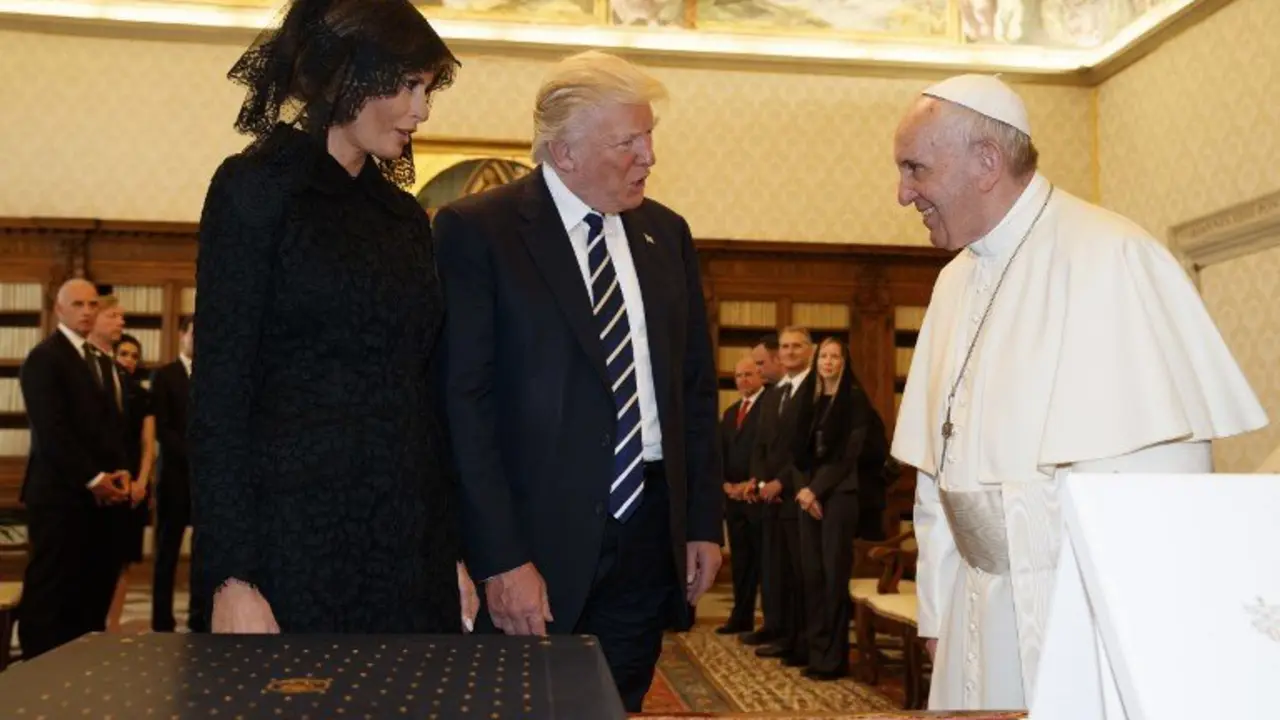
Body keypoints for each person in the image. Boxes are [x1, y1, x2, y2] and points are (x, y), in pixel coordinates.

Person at [890, 74, 1268, 711]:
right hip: (971, 609)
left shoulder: (1112, 257)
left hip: (1076, 613)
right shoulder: (954, 282)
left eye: (915, 169)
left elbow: (1157, 504)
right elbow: (937, 477)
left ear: (986, 163)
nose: (903, 195)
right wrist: (936, 613)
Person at [434, 50, 722, 711]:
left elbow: (693, 391)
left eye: (650, 136)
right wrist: (501, 558)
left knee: (617, 703)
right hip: (534, 539)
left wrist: (702, 521)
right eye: (630, 140)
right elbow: (462, 407)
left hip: (647, 536)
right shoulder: (480, 232)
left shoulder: (665, 234)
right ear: (565, 152)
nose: (649, 155)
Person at [190, 0, 478, 636]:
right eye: (408, 86)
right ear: (348, 76)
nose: (422, 111)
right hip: (289, 545)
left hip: (406, 546)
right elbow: (219, 396)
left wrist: (451, 551)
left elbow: (422, 400)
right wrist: (232, 576)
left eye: (428, 90)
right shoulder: (254, 194)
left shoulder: (402, 219)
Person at [17, 279, 131, 658]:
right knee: (51, 591)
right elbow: (53, 432)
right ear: (59, 309)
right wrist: (94, 478)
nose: (86, 311)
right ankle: (39, 673)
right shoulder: (45, 358)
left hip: (99, 500)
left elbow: (107, 427)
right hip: (58, 497)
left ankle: (80, 665)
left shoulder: (96, 360)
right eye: (77, 304)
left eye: (92, 304)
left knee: (90, 589)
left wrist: (118, 472)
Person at [790, 337, 887, 680]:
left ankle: (833, 660)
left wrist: (815, 490)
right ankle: (816, 653)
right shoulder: (809, 399)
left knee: (833, 577)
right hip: (808, 497)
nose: (828, 362)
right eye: (824, 356)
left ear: (844, 362)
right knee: (811, 576)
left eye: (835, 356)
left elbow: (849, 455)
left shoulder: (855, 400)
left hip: (840, 496)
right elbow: (794, 452)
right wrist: (804, 489)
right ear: (816, 361)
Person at [746, 327, 811, 668]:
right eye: (784, 347)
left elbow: (801, 450)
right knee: (775, 571)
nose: (788, 352)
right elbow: (761, 443)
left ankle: (799, 641)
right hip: (769, 498)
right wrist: (758, 480)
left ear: (810, 351)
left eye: (795, 346)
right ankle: (782, 633)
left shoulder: (811, 391)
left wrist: (779, 483)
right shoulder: (774, 394)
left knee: (797, 575)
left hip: (793, 495)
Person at [150, 316, 203, 633]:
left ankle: (199, 616)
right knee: (166, 554)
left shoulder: (215, 377)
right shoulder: (165, 375)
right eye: (195, 332)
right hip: (174, 477)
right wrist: (195, 455)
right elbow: (163, 429)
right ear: (183, 335)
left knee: (205, 553)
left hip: (206, 484)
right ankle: (161, 620)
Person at [107, 329, 158, 632]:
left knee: (123, 560)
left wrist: (142, 482)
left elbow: (149, 445)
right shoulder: (100, 391)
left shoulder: (142, 395)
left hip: (133, 484)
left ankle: (113, 624)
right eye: (123, 353)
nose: (128, 360)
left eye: (134, 356)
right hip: (106, 483)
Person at [718, 356, 766, 635]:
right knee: (740, 560)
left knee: (761, 561)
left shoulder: (768, 408)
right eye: (738, 376)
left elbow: (765, 451)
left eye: (748, 374)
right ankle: (741, 615)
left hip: (756, 497)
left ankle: (768, 621)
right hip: (733, 498)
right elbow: (721, 451)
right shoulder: (730, 412)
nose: (743, 380)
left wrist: (752, 482)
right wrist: (725, 484)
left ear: (760, 376)